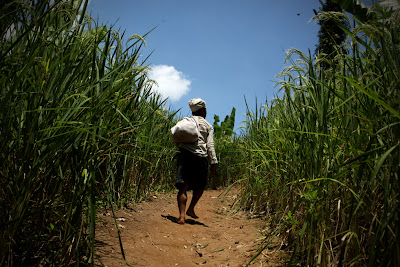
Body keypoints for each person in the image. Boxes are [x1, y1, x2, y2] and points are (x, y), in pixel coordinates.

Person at [174, 98, 218, 225]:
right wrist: (213, 163)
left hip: (185, 155)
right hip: (200, 158)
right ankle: (191, 208)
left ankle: (181, 216)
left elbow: (177, 137)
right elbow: (210, 146)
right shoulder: (207, 125)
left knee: (183, 187)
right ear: (204, 110)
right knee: (200, 187)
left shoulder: (185, 122)